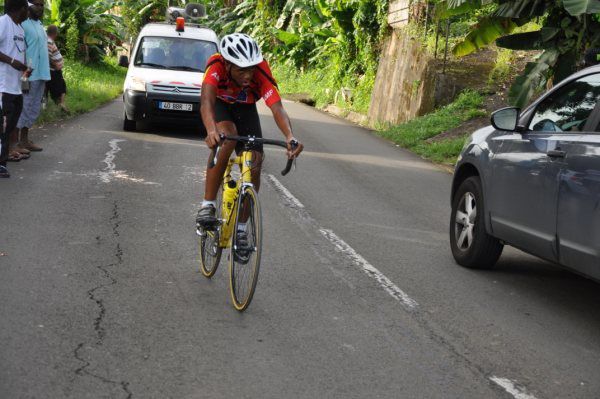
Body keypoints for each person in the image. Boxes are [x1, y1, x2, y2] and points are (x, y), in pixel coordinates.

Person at [196, 33, 304, 229]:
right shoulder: (216, 66)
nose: (247, 76)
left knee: (254, 160)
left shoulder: (261, 70)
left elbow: (277, 107)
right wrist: (212, 130)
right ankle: (208, 204)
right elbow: (206, 102)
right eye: (241, 71)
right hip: (220, 104)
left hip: (245, 107)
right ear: (228, 65)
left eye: (250, 70)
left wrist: (290, 136)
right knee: (227, 136)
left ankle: (242, 228)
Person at [13, 0, 50, 156]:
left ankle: (25, 139)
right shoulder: (23, 25)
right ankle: (14, 143)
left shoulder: (40, 25)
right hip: (28, 74)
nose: (40, 7)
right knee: (23, 107)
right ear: (28, 5)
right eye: (37, 4)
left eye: (42, 5)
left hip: (41, 73)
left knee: (33, 108)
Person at [0, 0, 31, 176]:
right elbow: (11, 57)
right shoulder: (3, 22)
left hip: (16, 87)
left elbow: (17, 52)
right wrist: (12, 62)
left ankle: (3, 159)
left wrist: (25, 69)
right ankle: (1, 163)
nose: (28, 12)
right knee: (2, 126)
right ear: (20, 9)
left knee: (9, 126)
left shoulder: (19, 29)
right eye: (26, 8)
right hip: (3, 86)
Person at [46, 24, 68, 113]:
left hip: (55, 70)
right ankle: (61, 105)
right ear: (55, 33)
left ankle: (60, 105)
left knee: (60, 87)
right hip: (53, 70)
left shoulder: (49, 41)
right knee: (60, 87)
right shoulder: (49, 41)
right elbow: (48, 56)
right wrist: (55, 64)